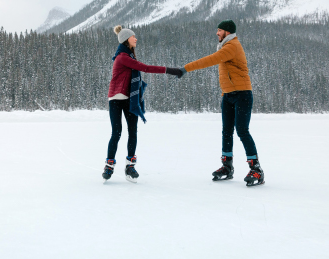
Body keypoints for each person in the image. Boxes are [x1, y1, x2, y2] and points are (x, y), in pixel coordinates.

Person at [180, 20, 264, 187]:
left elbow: (212, 59)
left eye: (220, 30)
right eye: (217, 30)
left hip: (242, 94)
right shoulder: (225, 45)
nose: (217, 33)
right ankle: (227, 166)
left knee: (242, 130)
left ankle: (256, 169)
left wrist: (185, 68)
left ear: (228, 32)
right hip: (228, 95)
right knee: (226, 131)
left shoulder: (232, 46)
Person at [102, 25, 184, 183]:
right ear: (127, 40)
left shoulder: (129, 57)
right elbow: (145, 68)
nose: (136, 38)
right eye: (133, 36)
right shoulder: (123, 57)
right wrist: (171, 70)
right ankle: (109, 165)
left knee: (132, 132)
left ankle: (130, 167)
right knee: (116, 132)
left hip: (129, 99)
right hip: (116, 99)